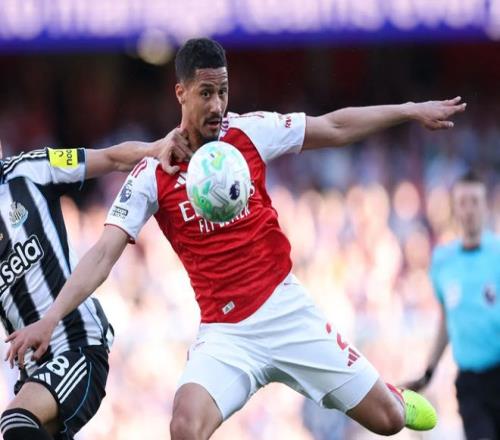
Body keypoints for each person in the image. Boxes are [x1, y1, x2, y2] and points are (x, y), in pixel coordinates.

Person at [6, 38, 466, 439]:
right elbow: (103, 254)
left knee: (387, 421)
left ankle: (390, 396)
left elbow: (334, 127)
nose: (217, 105)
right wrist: (50, 320)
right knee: (184, 426)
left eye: (223, 92)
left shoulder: (249, 131)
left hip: (286, 312)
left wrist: (409, 110)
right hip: (226, 335)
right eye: (206, 93)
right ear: (181, 93)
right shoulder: (152, 174)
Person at [0, 132, 185, 440]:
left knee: (15, 421)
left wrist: (156, 148)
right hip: (34, 372)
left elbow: (110, 157)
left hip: (77, 346)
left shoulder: (31, 169)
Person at [405, 171, 500, 440]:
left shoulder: (497, 253)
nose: (469, 210)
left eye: (475, 201)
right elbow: (446, 319)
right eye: (462, 202)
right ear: (455, 209)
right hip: (470, 384)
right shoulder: (442, 261)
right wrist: (429, 372)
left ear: (485, 206)